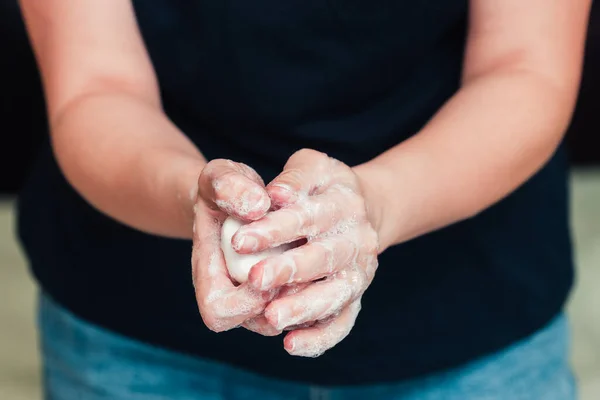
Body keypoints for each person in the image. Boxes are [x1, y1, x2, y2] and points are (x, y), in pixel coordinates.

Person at [16, 0, 591, 399]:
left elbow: (525, 66)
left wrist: (377, 203)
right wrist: (194, 196)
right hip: (139, 336)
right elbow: (94, 86)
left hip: (471, 323)